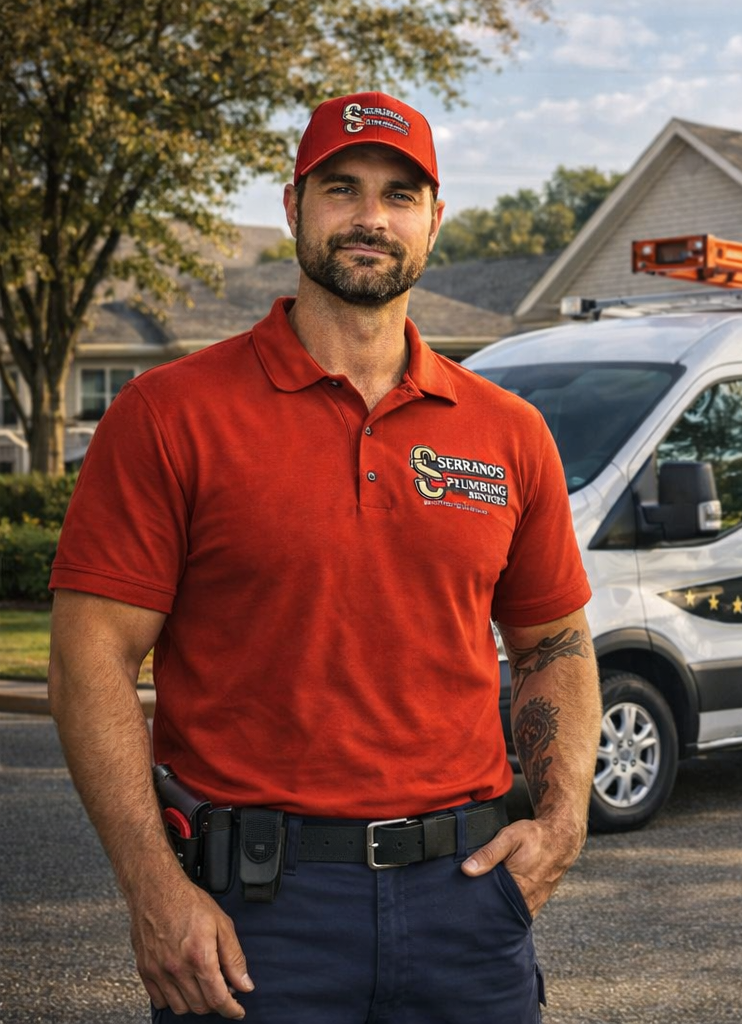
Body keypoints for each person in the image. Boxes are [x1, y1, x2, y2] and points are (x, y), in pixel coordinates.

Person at [47, 91, 600, 1022]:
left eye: (399, 193)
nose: (370, 218)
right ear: (295, 206)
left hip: (466, 906)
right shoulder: (169, 414)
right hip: (253, 921)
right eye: (342, 188)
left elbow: (554, 641)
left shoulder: (509, 433)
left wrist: (561, 825)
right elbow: (87, 657)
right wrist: (153, 889)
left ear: (434, 219)